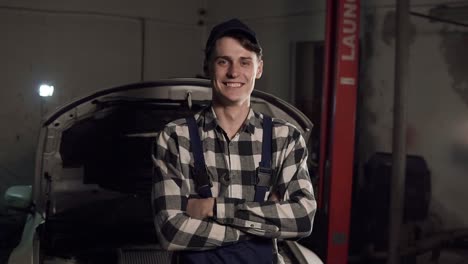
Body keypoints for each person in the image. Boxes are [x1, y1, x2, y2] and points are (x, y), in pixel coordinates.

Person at [152, 18, 316, 264]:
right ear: (208, 66)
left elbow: (302, 219)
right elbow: (171, 231)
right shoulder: (175, 137)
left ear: (259, 68)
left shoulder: (285, 138)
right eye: (223, 61)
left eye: (244, 62)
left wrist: (213, 209)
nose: (233, 72)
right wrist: (262, 226)